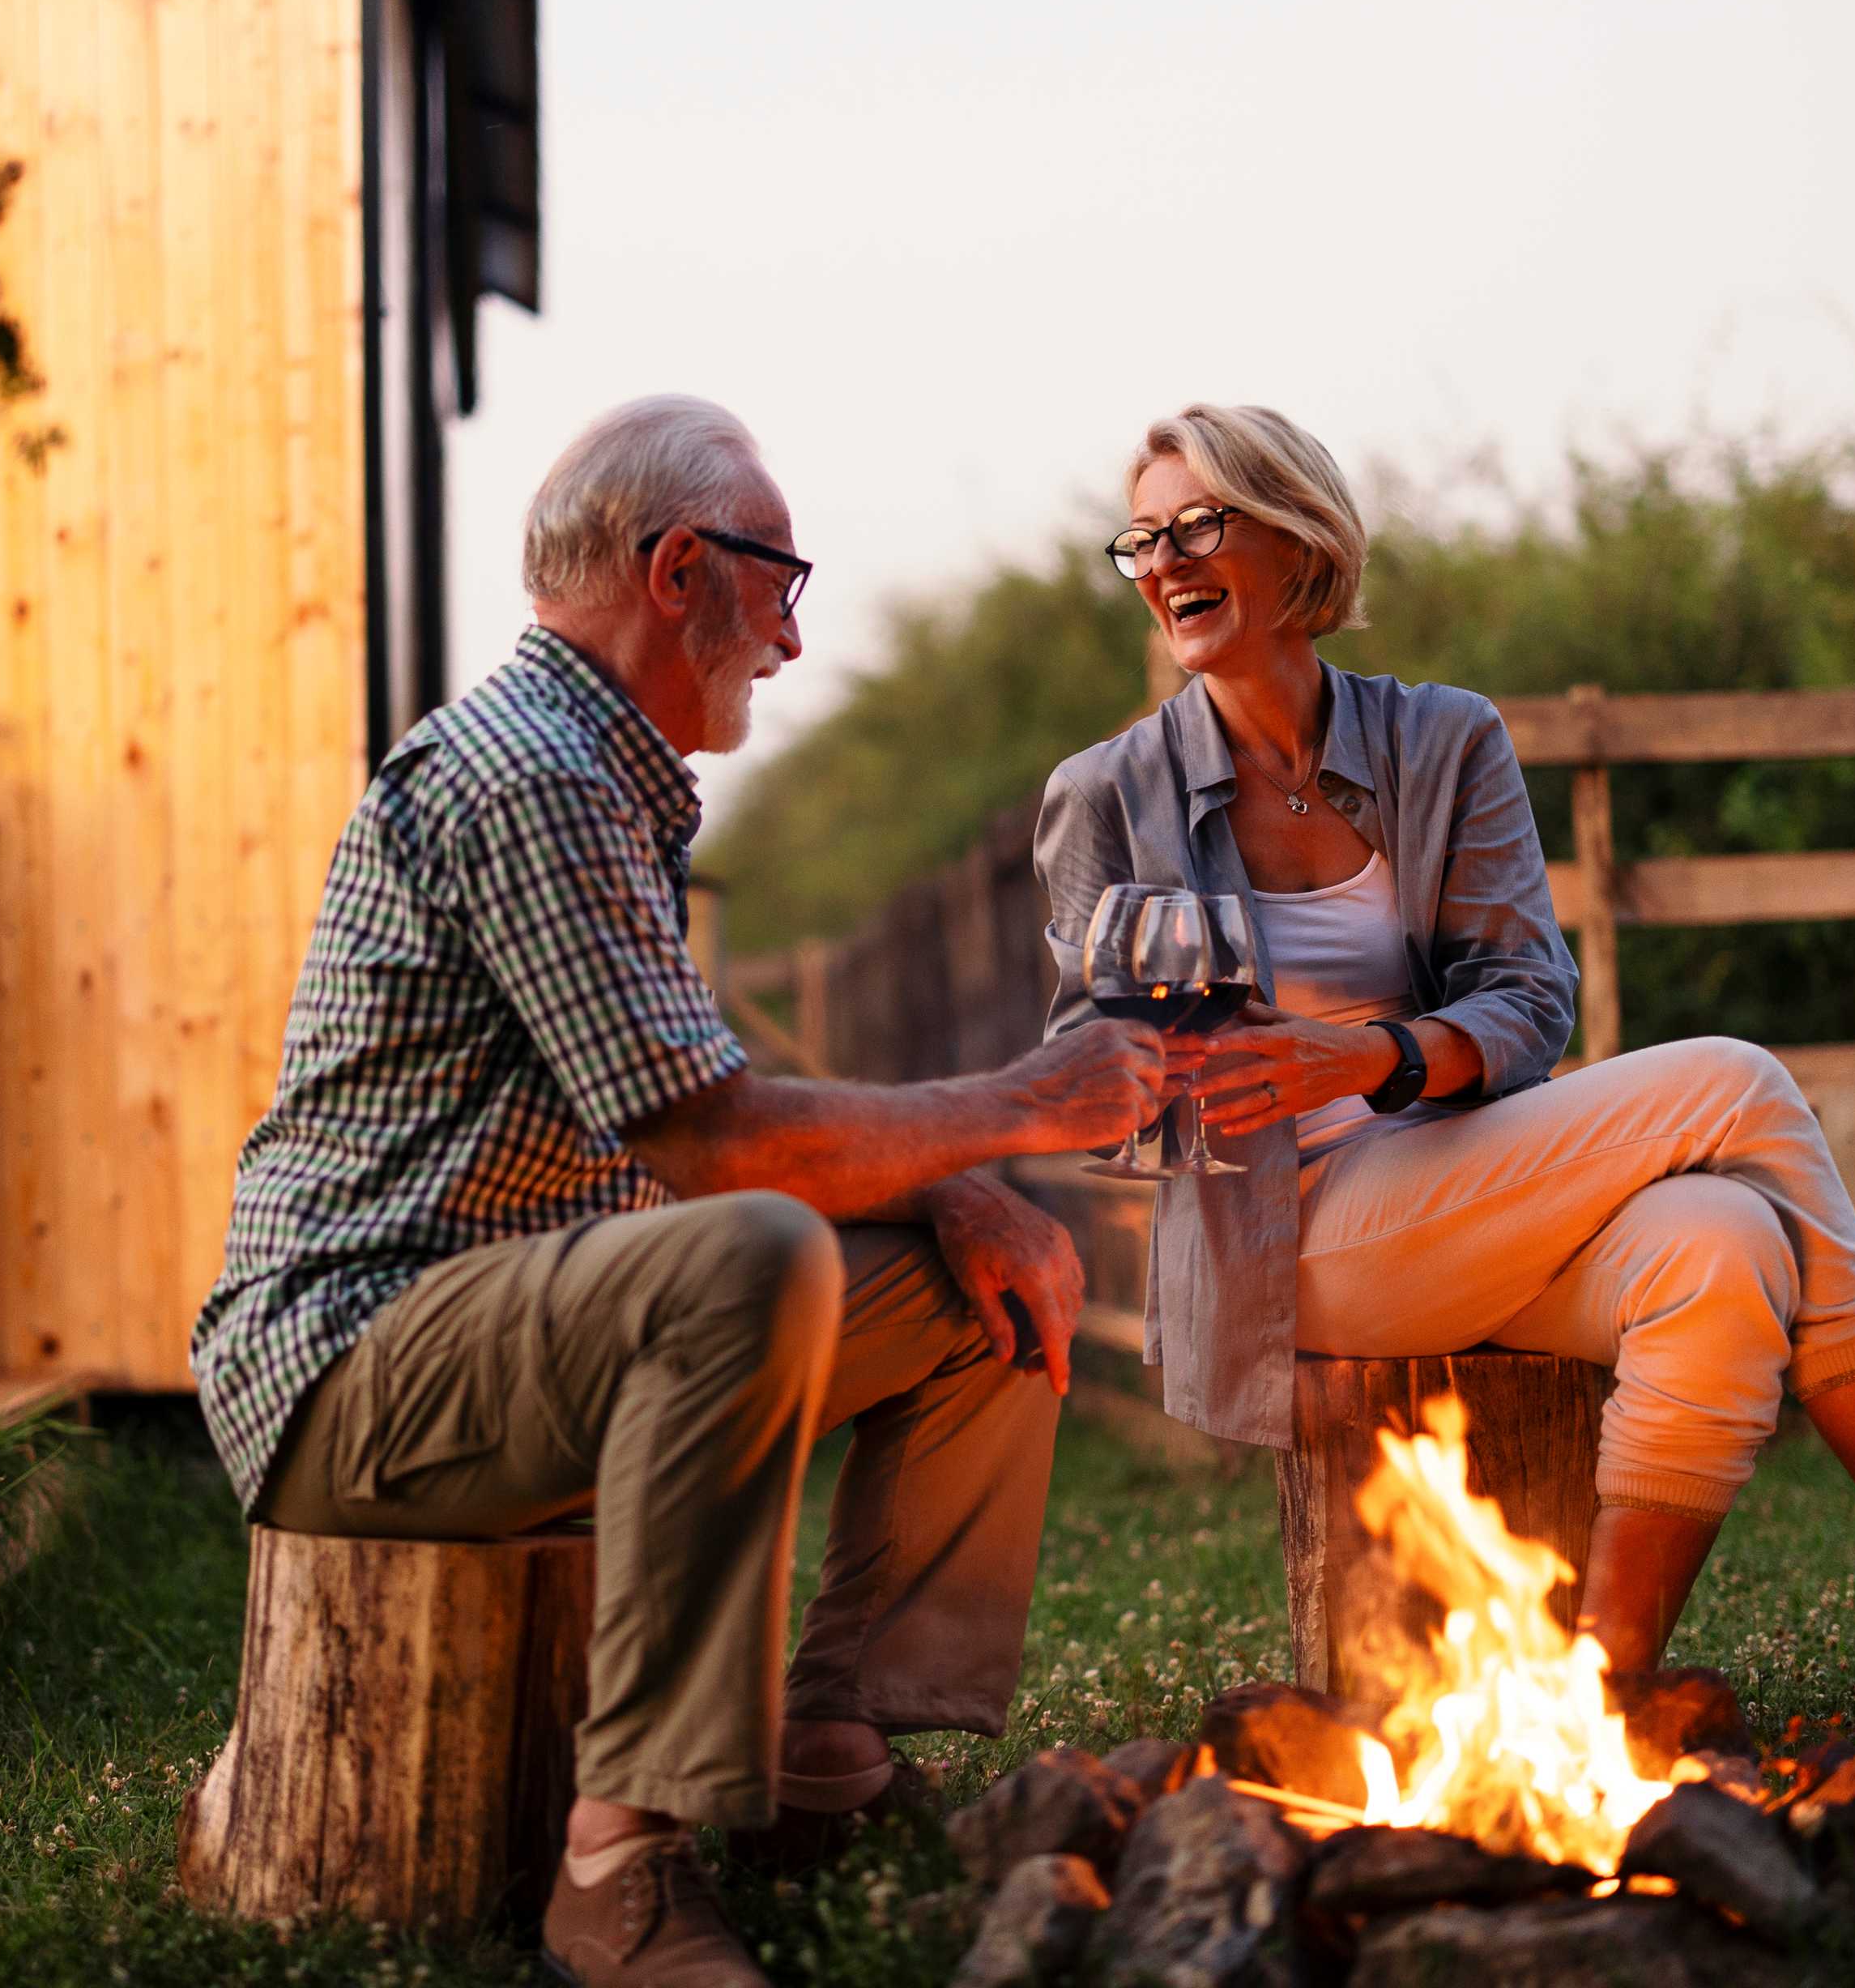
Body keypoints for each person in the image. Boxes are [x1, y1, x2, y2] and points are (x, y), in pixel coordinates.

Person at [194, 396, 1206, 1988]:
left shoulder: (607, 789)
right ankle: (618, 1862)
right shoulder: (528, 777)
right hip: (353, 1363)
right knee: (748, 1248)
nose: (792, 640)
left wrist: (960, 1188)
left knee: (990, 1278)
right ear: (680, 570)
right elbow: (719, 1146)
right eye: (782, 584)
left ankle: (831, 1766)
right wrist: (1019, 1102)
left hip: (519, 1315)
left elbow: (699, 1118)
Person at [1034, 401, 1855, 1692]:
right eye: (1142, 540)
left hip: (1459, 1178)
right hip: (1288, 1244)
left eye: (1200, 523)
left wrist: (1371, 1060)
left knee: (1722, 1245)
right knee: (1738, 1081)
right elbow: (1090, 1090)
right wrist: (1179, 1077)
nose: (1168, 562)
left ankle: (1601, 1701)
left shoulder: (1443, 740)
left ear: (1299, 537)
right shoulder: (1108, 795)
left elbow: (1531, 1001)